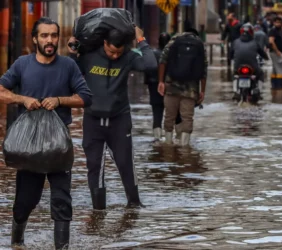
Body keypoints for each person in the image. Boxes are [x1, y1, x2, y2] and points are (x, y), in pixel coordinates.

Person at [0, 17, 92, 249]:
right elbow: (1, 90)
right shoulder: (22, 64)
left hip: (59, 145)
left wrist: (60, 100)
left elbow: (85, 98)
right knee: (25, 201)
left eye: (53, 35)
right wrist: (23, 99)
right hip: (29, 146)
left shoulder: (68, 66)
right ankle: (17, 242)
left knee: (62, 200)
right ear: (35, 39)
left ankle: (62, 247)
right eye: (44, 35)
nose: (49, 40)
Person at [68, 26, 157, 210]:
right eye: (111, 51)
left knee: (125, 163)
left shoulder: (129, 57)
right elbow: (70, 72)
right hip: (92, 119)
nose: (115, 56)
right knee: (95, 165)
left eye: (119, 52)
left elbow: (150, 65)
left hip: (119, 119)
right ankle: (98, 210)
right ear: (104, 43)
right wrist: (72, 52)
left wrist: (141, 40)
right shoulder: (89, 56)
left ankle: (134, 204)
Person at [158, 28, 207, 146]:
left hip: (171, 86)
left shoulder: (174, 40)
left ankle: (168, 146)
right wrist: (202, 91)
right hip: (191, 90)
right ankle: (185, 150)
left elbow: (162, 60)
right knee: (187, 118)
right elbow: (204, 69)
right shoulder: (200, 44)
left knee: (169, 117)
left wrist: (161, 81)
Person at [144, 32, 182, 140]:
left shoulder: (152, 53)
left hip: (154, 86)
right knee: (176, 113)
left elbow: (147, 70)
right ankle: (179, 139)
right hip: (172, 86)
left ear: (158, 42)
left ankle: (157, 139)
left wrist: (149, 83)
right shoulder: (175, 54)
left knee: (157, 113)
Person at [232, 23, 269, 99]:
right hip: (253, 67)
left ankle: (235, 91)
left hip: (238, 66)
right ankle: (258, 91)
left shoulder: (235, 42)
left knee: (235, 75)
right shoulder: (255, 42)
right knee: (261, 73)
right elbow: (262, 53)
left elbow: (230, 54)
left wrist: (232, 58)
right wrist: (266, 58)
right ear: (252, 32)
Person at [268, 17, 282, 89]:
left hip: (279, 52)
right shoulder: (273, 30)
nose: (278, 24)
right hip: (275, 52)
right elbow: (271, 41)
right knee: (280, 69)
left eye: (279, 22)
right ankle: (279, 87)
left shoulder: (280, 31)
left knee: (275, 69)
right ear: (274, 23)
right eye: (276, 22)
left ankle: (274, 86)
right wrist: (277, 52)